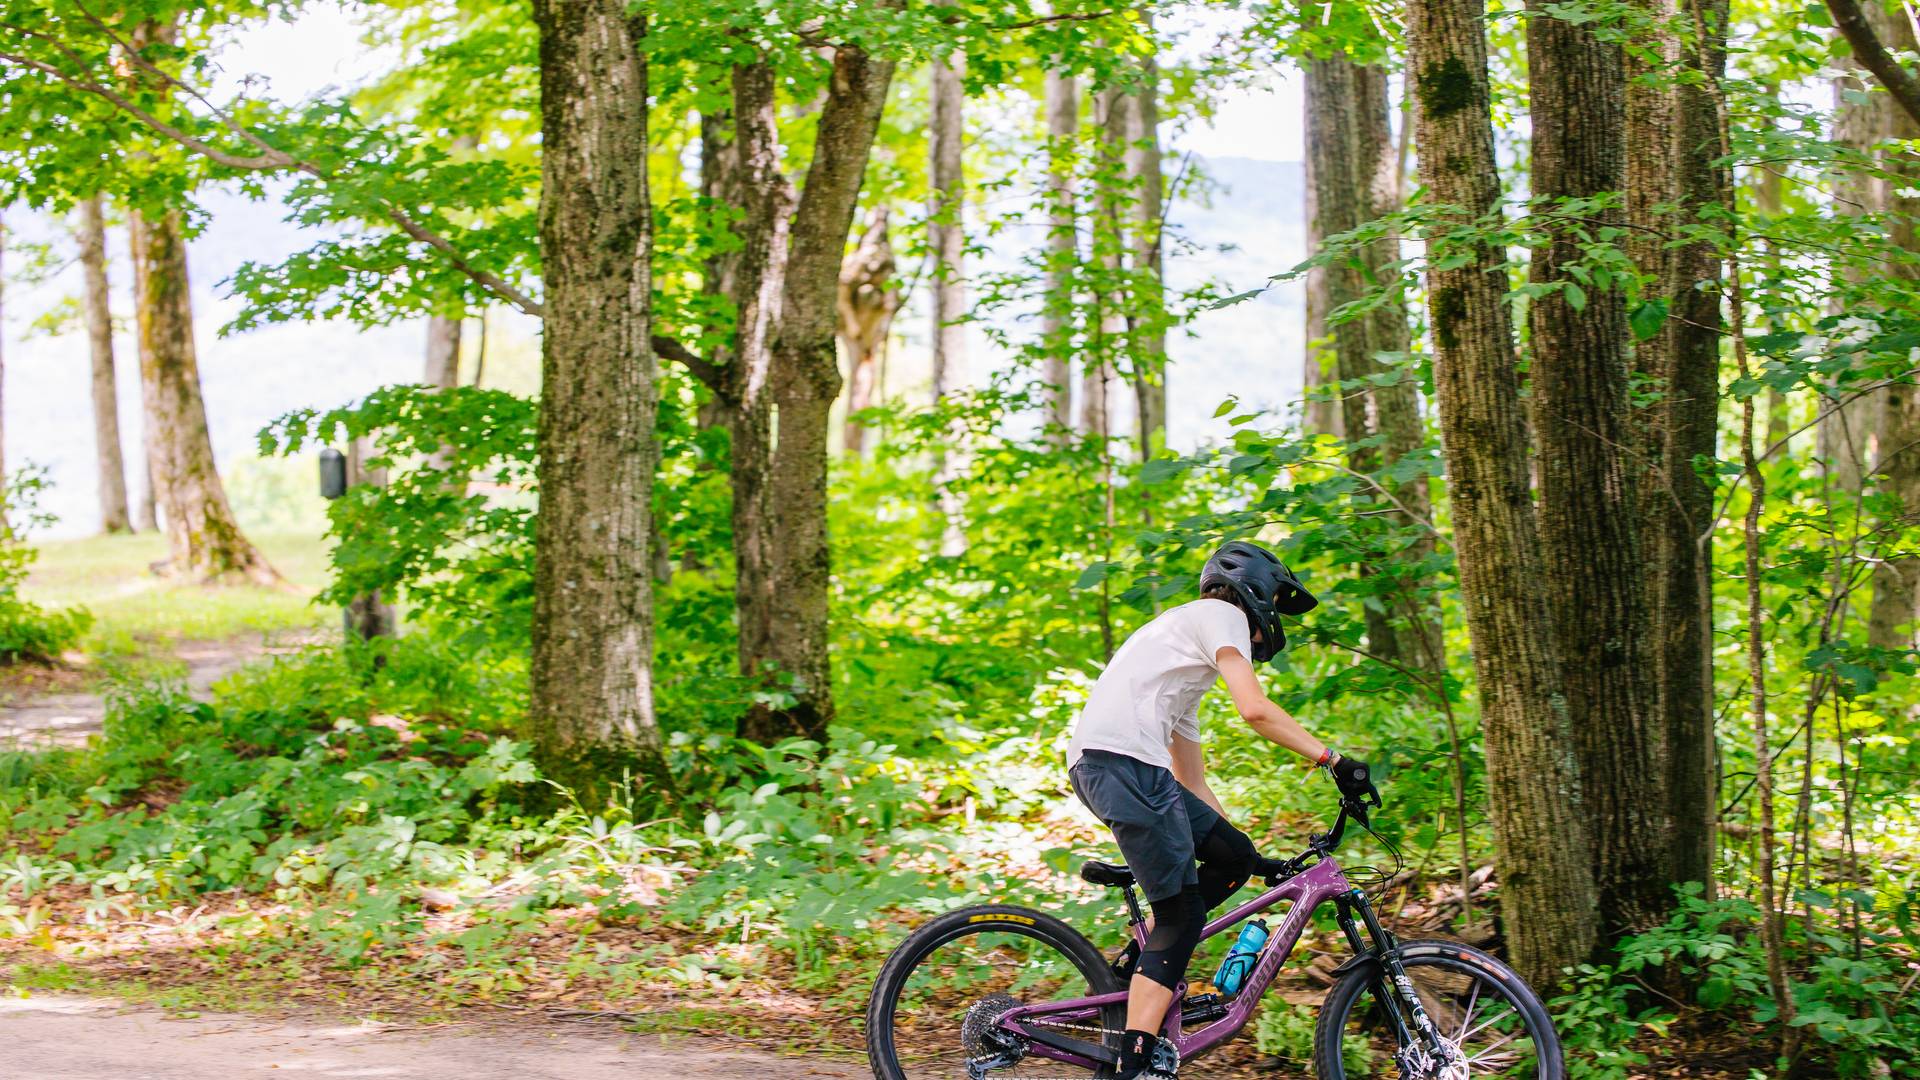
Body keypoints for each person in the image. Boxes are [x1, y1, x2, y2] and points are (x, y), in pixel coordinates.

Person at [1066, 540, 1379, 1080]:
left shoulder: (1182, 658)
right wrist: (1331, 759)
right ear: (1254, 593)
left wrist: (1256, 862)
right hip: (1122, 766)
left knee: (1231, 857)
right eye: (1276, 606)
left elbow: (1190, 780)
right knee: (1181, 917)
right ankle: (1136, 1060)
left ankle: (1137, 969)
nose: (1272, 623)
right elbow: (1255, 709)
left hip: (1119, 767)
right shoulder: (1221, 615)